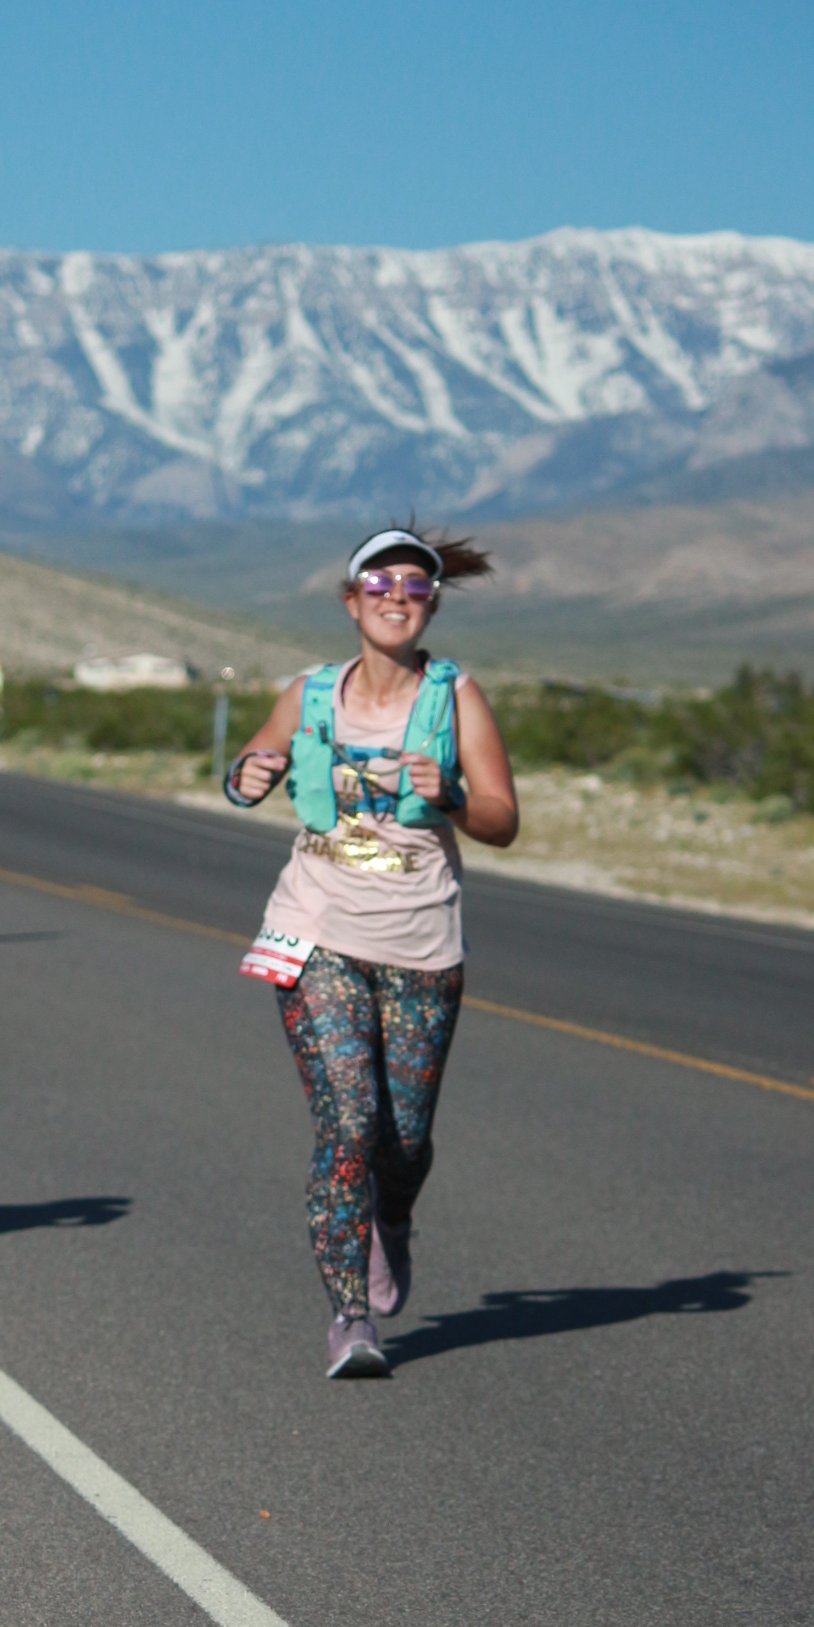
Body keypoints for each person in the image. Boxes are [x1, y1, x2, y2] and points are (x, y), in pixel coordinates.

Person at [225, 525, 518, 1376]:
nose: (398, 597)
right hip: (315, 929)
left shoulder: (456, 698)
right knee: (348, 1124)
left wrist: (452, 796)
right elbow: (253, 760)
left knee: (405, 1143)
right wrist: (245, 777)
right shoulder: (311, 692)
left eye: (416, 586)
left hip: (422, 943)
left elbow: (503, 819)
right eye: (380, 584)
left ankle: (393, 1217)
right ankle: (350, 1319)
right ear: (352, 602)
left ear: (432, 605)